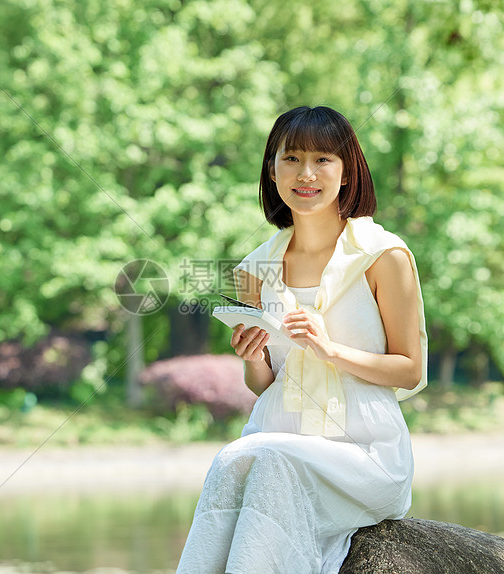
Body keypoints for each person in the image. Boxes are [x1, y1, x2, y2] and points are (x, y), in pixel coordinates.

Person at [174, 105, 428, 574]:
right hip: (278, 433)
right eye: (290, 159)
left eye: (323, 160)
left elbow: (409, 368)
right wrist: (253, 360)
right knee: (232, 462)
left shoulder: (382, 256)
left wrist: (329, 350)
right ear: (272, 171)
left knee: (263, 458)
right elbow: (265, 383)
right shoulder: (255, 269)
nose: (305, 173)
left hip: (364, 451)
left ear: (347, 172)